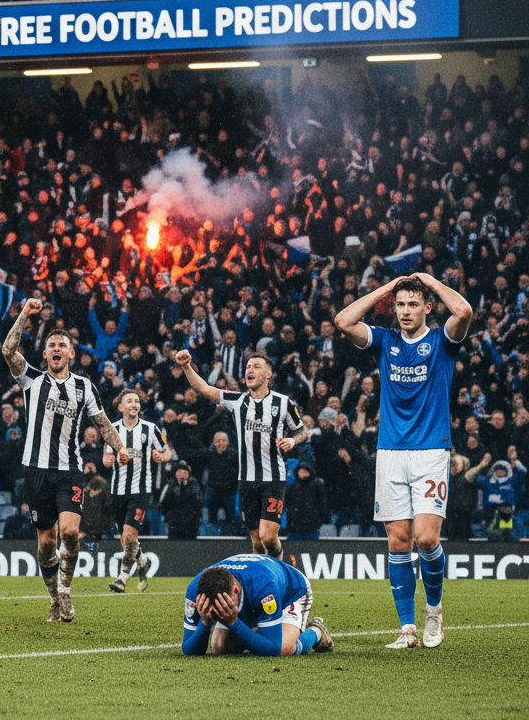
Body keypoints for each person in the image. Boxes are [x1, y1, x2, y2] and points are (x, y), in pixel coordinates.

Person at [334, 273, 472, 648]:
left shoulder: (442, 340)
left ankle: (434, 613)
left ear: (427, 307)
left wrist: (429, 281)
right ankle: (407, 630)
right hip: (391, 452)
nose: (406, 311)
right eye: (400, 305)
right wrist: (387, 290)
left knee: (426, 540)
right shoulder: (385, 340)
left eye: (413, 304)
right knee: (398, 542)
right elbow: (343, 321)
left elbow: (464, 310)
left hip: (430, 451)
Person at [2, 298, 129, 622]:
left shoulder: (84, 386)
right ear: (45, 354)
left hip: (69, 470)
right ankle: (53, 598)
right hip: (35, 471)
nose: (56, 349)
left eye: (62, 345)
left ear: (71, 353)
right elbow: (7, 350)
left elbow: (101, 422)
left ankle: (66, 591)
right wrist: (24, 316)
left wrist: (119, 447)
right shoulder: (31, 378)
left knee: (70, 533)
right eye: (51, 345)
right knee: (46, 543)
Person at [175, 350, 306, 559]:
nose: (249, 370)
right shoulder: (237, 401)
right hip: (246, 481)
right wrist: (186, 367)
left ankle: (284, 571)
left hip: (273, 478)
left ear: (268, 375)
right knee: (256, 542)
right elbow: (204, 389)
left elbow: (302, 431)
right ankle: (266, 585)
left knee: (269, 537)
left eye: (256, 366)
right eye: (247, 367)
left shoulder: (283, 403)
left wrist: (292, 440)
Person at [181, 553, 334, 656]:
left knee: (284, 648)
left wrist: (234, 623)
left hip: (290, 591)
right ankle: (261, 627)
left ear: (236, 590)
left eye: (223, 607)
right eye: (214, 612)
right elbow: (189, 650)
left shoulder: (264, 587)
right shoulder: (194, 590)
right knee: (219, 648)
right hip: (252, 591)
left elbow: (273, 648)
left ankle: (316, 632)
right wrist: (205, 623)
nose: (217, 613)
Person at [103, 387, 172, 592]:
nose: (134, 404)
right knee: (125, 539)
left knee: (130, 534)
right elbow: (106, 460)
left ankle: (122, 579)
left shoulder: (150, 429)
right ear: (120, 406)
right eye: (130, 401)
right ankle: (142, 561)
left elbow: (167, 451)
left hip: (141, 490)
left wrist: (162, 457)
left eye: (137, 401)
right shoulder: (111, 429)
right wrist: (116, 459)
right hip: (118, 490)